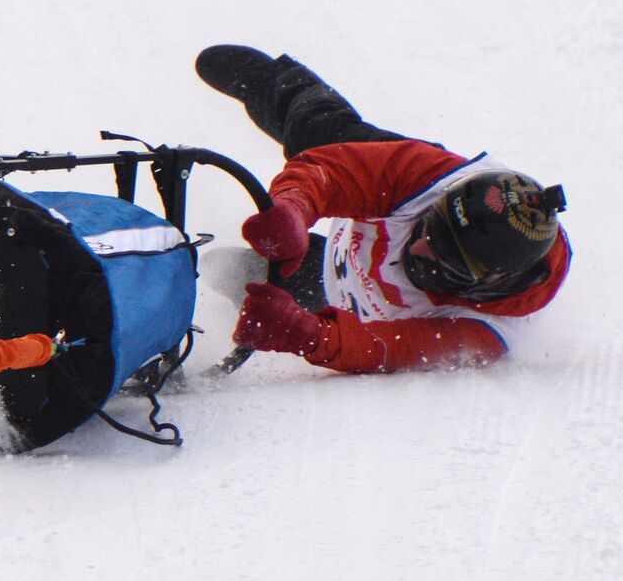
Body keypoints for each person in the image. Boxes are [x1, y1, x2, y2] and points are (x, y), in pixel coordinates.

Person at [196, 45, 571, 372]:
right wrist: (294, 206)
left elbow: (384, 348)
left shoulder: (486, 332)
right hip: (392, 199)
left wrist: (307, 335)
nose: (419, 245)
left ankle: (267, 272)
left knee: (237, 274)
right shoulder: (434, 176)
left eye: (443, 254)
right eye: (431, 227)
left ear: (484, 287)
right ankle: (273, 83)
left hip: (336, 289)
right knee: (321, 133)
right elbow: (333, 174)